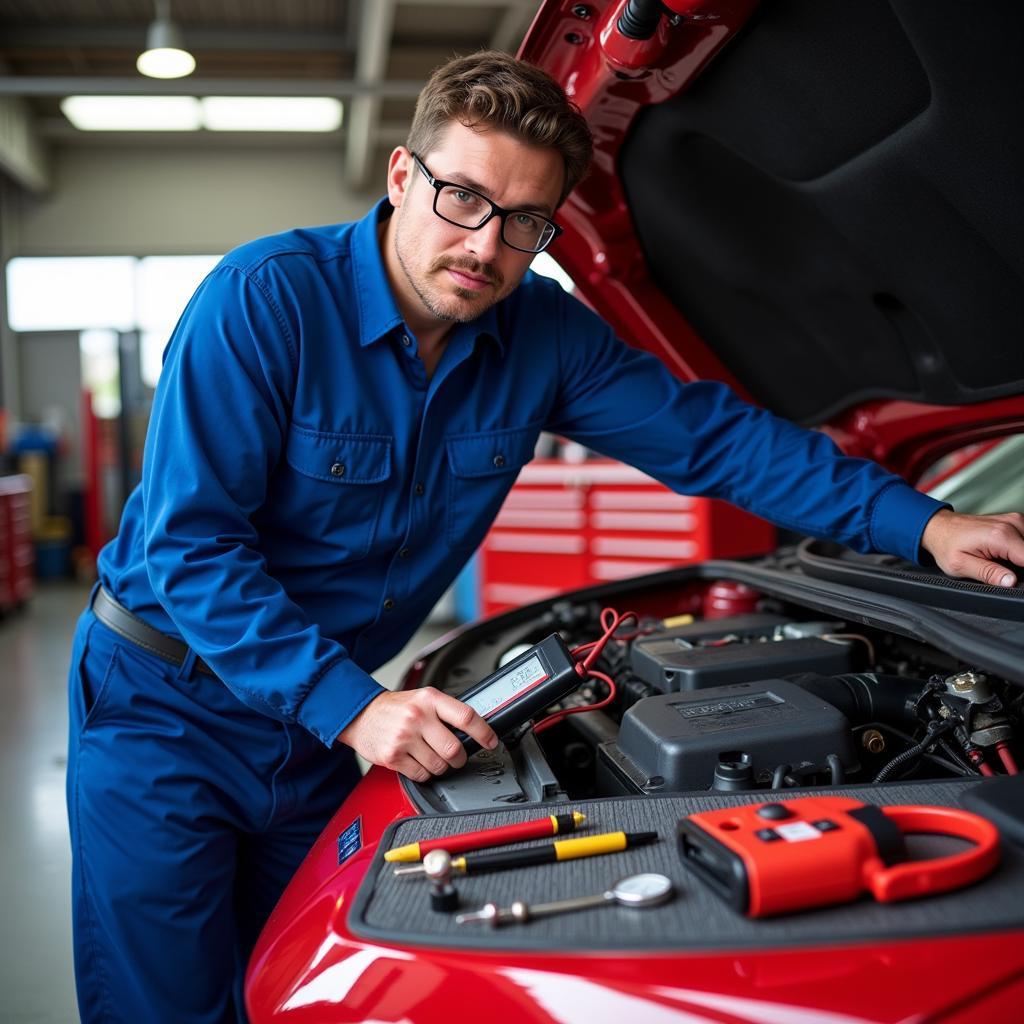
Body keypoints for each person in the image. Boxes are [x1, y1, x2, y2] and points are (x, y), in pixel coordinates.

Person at [66, 49, 1024, 1024]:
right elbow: (191, 546)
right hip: (166, 707)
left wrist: (928, 523)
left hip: (314, 721)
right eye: (461, 199)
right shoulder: (265, 299)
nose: (485, 245)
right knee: (164, 1003)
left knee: (293, 988)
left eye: (525, 222)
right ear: (403, 177)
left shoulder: (541, 333)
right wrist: (348, 707)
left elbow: (712, 439)